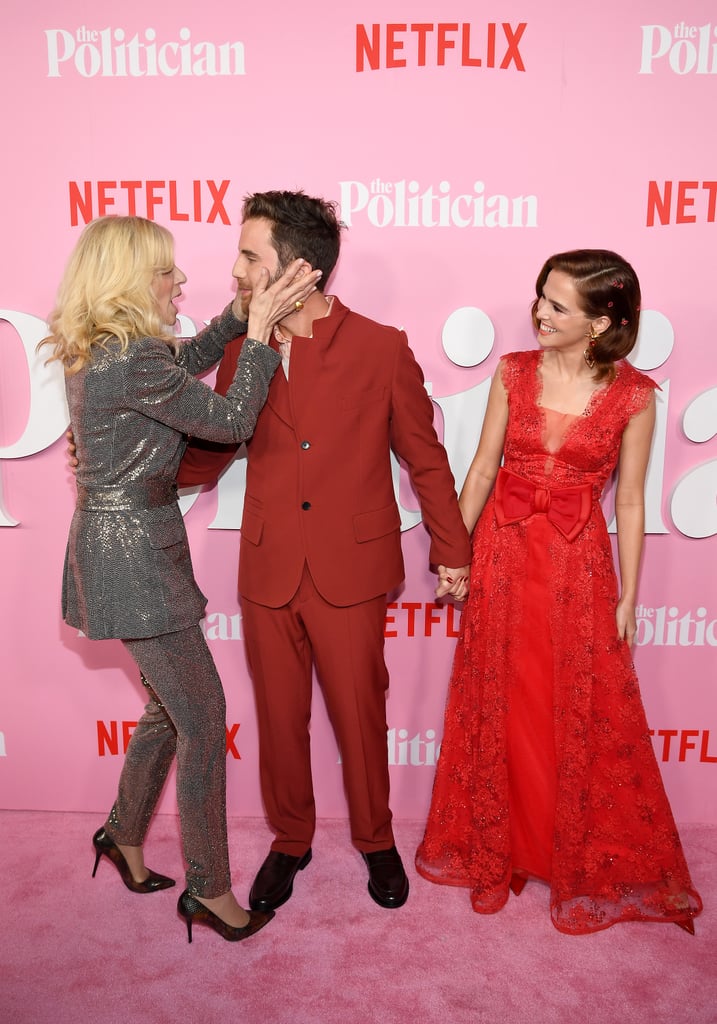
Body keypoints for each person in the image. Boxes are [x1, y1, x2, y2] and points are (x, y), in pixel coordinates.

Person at [177, 190, 472, 911]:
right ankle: (290, 840)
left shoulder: (380, 346)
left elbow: (424, 459)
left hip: (351, 568)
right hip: (270, 567)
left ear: (300, 269)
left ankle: (376, 839)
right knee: (279, 720)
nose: (236, 269)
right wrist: (133, 464)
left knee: (358, 715)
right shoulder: (243, 350)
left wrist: (452, 550)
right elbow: (214, 453)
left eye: (249, 255)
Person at [45, 214, 319, 943]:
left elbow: (182, 360)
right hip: (134, 561)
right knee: (201, 722)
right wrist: (258, 334)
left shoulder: (112, 350)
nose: (182, 280)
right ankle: (209, 890)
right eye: (168, 270)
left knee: (170, 710)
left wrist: (237, 316)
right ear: (134, 280)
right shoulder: (131, 359)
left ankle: (124, 837)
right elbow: (229, 422)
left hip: (122, 550)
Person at [415, 249, 703, 934]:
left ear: (602, 322)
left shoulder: (634, 396)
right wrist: (452, 553)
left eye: (557, 305)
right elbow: (482, 468)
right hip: (503, 557)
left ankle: (562, 848)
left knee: (572, 706)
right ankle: (502, 845)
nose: (539, 312)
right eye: (540, 297)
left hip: (577, 570)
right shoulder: (512, 371)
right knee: (500, 701)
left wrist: (629, 596)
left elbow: (628, 503)